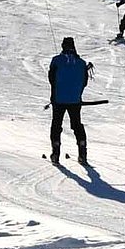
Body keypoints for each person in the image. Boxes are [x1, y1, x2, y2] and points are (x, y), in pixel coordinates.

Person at [48, 36, 90, 165]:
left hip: (58, 99)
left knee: (56, 125)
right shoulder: (81, 63)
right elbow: (85, 81)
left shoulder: (56, 60)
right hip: (75, 100)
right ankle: (82, 152)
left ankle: (56, 153)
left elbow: (51, 79)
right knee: (77, 125)